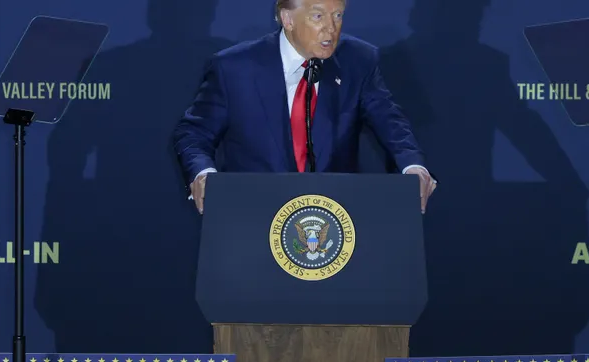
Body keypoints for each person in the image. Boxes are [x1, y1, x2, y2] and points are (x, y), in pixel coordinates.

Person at [172, 0, 436, 214]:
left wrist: (412, 166)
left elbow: (390, 123)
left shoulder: (359, 61)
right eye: (318, 16)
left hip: (334, 219)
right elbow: (194, 133)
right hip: (252, 214)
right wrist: (203, 174)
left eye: (338, 15)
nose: (331, 28)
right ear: (288, 19)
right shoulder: (233, 68)